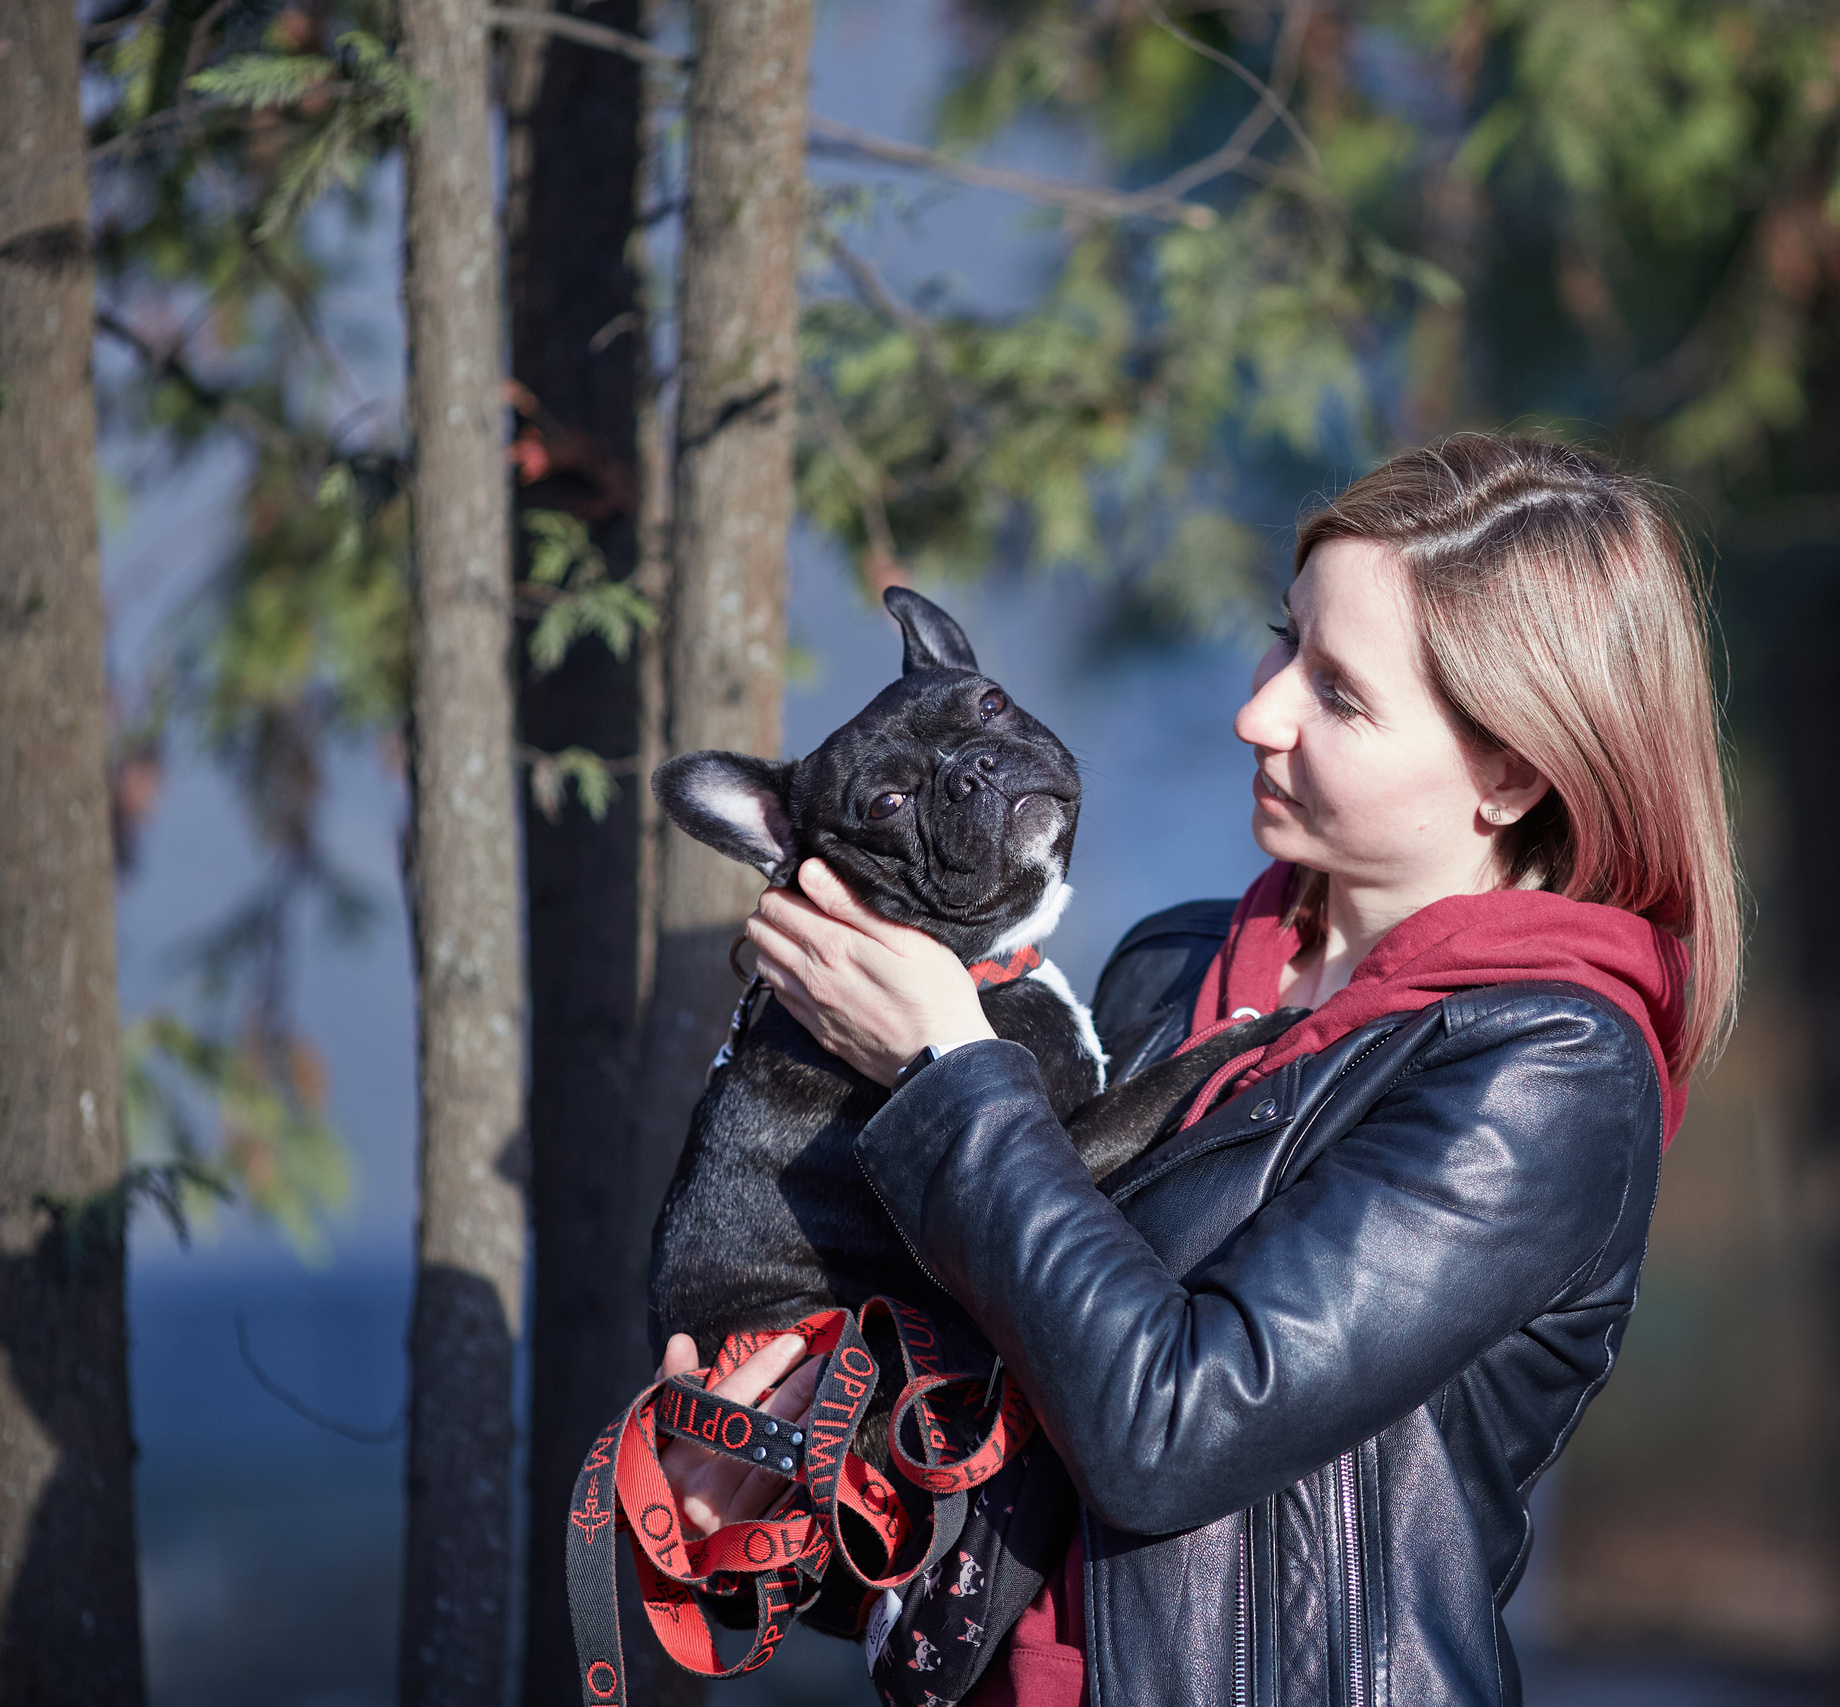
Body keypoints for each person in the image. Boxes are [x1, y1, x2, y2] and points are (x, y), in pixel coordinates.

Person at [653, 434, 1743, 1706]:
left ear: (1507, 775)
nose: (1257, 709)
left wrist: (944, 1064)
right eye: (1282, 639)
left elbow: (1170, 1431)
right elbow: (1021, 1434)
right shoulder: (1170, 971)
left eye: (1338, 692)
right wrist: (791, 1485)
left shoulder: (1543, 1071)